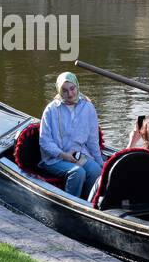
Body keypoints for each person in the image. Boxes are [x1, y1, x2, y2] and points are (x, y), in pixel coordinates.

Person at [38, 71, 103, 199]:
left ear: (77, 87)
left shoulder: (88, 107)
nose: (70, 94)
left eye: (72, 89)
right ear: (59, 91)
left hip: (77, 156)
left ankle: (88, 203)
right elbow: (44, 141)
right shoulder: (51, 110)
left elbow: (92, 140)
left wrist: (100, 161)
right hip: (55, 158)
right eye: (65, 90)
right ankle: (70, 206)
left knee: (96, 170)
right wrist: (63, 155)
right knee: (77, 173)